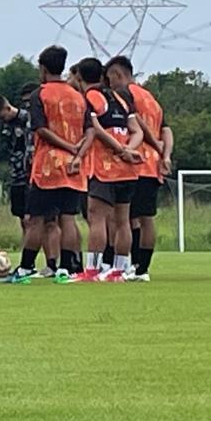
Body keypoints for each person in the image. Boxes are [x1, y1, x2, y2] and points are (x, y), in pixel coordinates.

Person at [18, 46, 90, 285]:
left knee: (36, 219)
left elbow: (41, 129)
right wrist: (79, 150)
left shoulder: (41, 94)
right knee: (68, 218)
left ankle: (26, 268)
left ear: (43, 68)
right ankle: (67, 268)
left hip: (48, 166)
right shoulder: (77, 95)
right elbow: (90, 130)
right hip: (74, 167)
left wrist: (67, 147)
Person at [105, 55, 172, 282]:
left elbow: (138, 125)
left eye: (110, 78)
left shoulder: (128, 95)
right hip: (153, 165)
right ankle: (141, 266)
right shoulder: (151, 98)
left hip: (137, 161)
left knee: (130, 218)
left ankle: (136, 267)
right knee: (145, 217)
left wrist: (154, 145)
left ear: (118, 74)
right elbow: (167, 130)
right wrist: (166, 154)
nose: (110, 84)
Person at [80, 57, 143, 282]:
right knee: (122, 220)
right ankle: (119, 270)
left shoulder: (91, 97)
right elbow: (137, 131)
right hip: (129, 169)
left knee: (97, 217)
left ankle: (93, 270)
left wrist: (118, 149)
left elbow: (95, 128)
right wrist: (128, 150)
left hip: (104, 168)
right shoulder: (122, 98)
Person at [0, 85, 40, 279]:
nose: (2, 120)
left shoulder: (27, 119)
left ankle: (32, 263)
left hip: (29, 176)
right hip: (16, 177)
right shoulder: (6, 127)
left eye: (2, 116)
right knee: (22, 219)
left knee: (32, 220)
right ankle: (27, 261)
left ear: (7, 108)